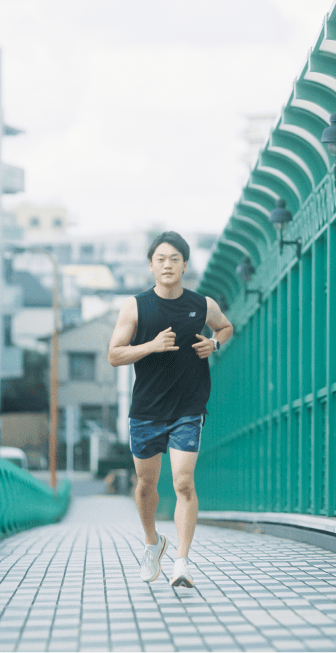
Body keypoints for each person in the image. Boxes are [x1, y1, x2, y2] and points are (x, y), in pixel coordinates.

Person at [108, 231, 233, 588]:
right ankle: (153, 543)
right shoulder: (135, 307)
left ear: (185, 265)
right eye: (161, 259)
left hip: (188, 408)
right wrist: (151, 345)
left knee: (183, 482)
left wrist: (213, 343)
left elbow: (225, 326)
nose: (167, 265)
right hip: (146, 409)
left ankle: (181, 561)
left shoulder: (202, 304)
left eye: (174, 259)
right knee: (146, 484)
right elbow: (114, 354)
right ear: (151, 265)